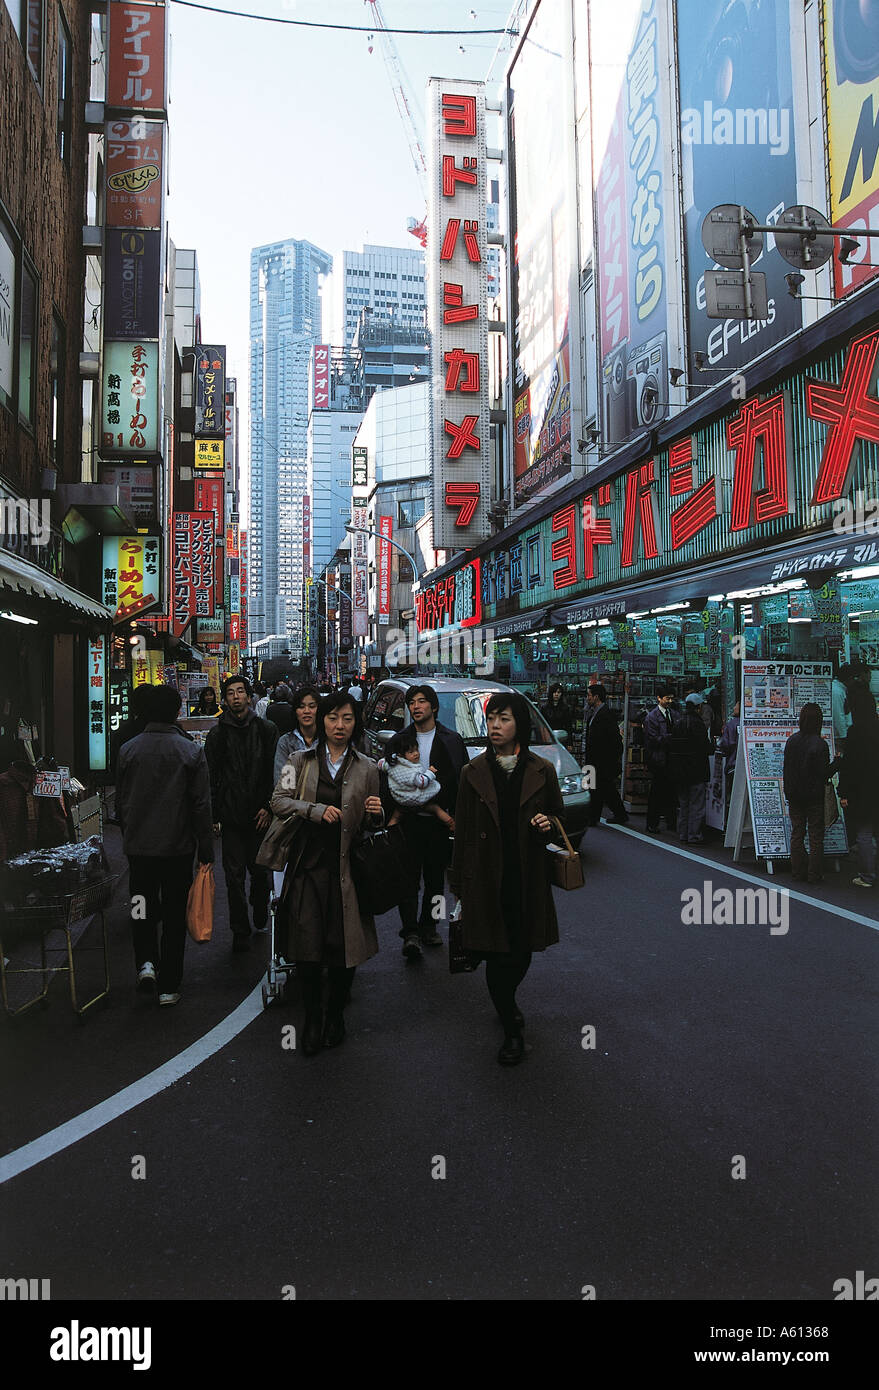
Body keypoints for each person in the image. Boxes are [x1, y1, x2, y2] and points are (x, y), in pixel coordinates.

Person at [448, 692, 564, 1066]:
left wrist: (546, 824)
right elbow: (463, 831)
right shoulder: (472, 772)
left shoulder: (542, 771)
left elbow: (557, 818)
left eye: (504, 719)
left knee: (521, 951)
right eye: (492, 718)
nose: (496, 726)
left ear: (520, 726)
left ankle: (507, 1004)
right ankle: (511, 1026)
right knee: (495, 956)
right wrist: (458, 884)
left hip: (526, 876)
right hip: (485, 878)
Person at [267, 691, 383, 1055]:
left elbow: (370, 822)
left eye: (347, 719)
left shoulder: (368, 766)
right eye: (332, 718)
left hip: (346, 871)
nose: (339, 726)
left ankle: (336, 1014)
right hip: (307, 868)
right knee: (308, 948)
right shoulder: (297, 759)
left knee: (342, 948)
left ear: (355, 723)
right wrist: (313, 809)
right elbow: (277, 800)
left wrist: (375, 812)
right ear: (321, 720)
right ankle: (313, 1018)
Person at [116, 685, 214, 1006]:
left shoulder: (129, 750)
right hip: (177, 848)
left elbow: (120, 801)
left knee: (141, 904)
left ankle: (145, 962)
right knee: (174, 914)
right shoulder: (189, 751)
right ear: (175, 712)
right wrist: (205, 846)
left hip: (139, 847)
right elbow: (200, 804)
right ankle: (169, 984)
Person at [205, 675, 278, 951]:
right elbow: (210, 776)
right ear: (225, 700)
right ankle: (239, 928)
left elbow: (276, 771)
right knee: (233, 877)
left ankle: (259, 907)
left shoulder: (266, 729)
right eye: (230, 693)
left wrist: (269, 806)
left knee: (259, 873)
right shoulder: (217, 735)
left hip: (260, 815)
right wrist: (214, 815)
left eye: (240, 692)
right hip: (231, 815)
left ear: (249, 697)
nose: (236, 697)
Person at [395, 684, 467, 960]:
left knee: (436, 881)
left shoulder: (451, 739)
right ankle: (409, 932)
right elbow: (390, 778)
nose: (416, 706)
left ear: (433, 707)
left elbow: (458, 779)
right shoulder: (401, 739)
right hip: (409, 821)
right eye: (412, 702)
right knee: (407, 880)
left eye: (422, 701)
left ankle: (430, 927)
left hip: (439, 823)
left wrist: (455, 815)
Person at [783, 702, 831, 884]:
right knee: (815, 836)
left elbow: (787, 768)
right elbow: (823, 772)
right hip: (813, 796)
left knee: (797, 833)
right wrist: (837, 763)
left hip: (794, 794)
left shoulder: (792, 740)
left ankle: (797, 871)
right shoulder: (820, 744)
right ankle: (814, 874)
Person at [837, 688, 879, 888]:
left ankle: (867, 876)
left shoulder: (855, 733)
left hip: (862, 791)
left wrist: (843, 792)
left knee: (864, 833)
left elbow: (848, 767)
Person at [668, 692, 712, 844]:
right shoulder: (698, 724)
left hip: (680, 771)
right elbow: (706, 748)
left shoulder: (678, 721)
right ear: (698, 707)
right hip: (696, 770)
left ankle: (683, 833)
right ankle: (694, 835)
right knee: (696, 804)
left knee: (684, 803)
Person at [378, 725, 443, 824]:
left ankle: (389, 833)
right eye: (411, 752)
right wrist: (430, 772)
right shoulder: (408, 770)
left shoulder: (392, 764)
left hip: (398, 796)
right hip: (409, 797)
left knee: (396, 817)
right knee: (436, 809)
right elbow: (421, 782)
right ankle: (451, 824)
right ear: (401, 754)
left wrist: (390, 758)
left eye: (417, 750)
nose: (416, 754)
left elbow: (380, 764)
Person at [584, 684, 628, 824]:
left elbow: (614, 741)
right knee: (596, 788)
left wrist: (611, 759)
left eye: (589, 696)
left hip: (603, 760)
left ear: (596, 697)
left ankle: (618, 815)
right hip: (594, 759)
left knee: (604, 788)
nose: (587, 698)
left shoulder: (605, 714)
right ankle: (594, 817)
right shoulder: (594, 712)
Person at [644, 686, 679, 834]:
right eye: (667, 698)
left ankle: (672, 822)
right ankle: (652, 823)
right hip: (658, 759)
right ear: (659, 698)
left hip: (671, 759)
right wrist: (671, 738)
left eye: (672, 698)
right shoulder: (652, 717)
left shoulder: (675, 714)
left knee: (671, 792)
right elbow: (653, 739)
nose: (670, 701)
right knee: (657, 793)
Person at [273, 685, 320, 783]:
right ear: (295, 711)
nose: (306, 711)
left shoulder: (328, 740)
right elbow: (283, 783)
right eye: (301, 707)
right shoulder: (286, 742)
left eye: (312, 706)